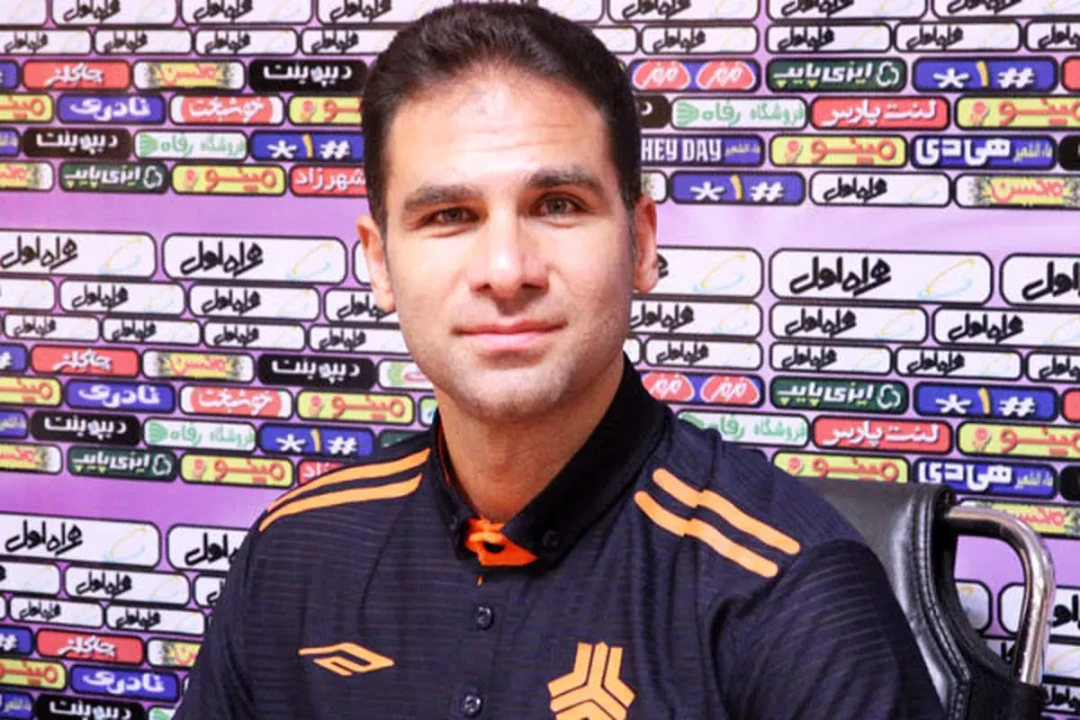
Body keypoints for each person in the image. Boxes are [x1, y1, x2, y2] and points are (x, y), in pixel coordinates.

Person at [176, 4, 945, 718]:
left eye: (558, 206)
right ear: (379, 262)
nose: (506, 270)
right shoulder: (295, 553)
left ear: (640, 243)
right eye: (450, 215)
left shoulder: (792, 593)